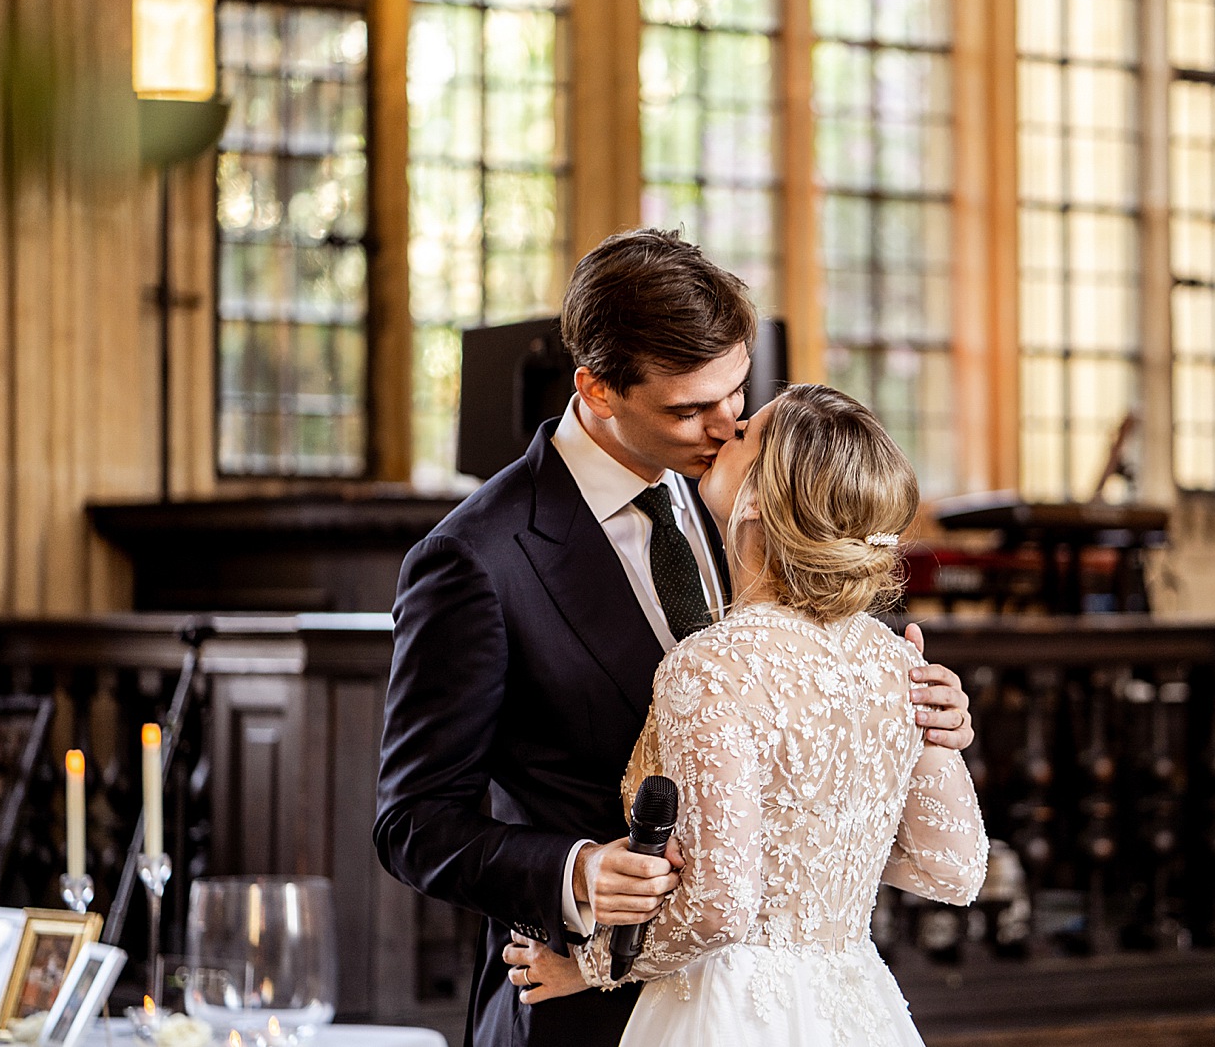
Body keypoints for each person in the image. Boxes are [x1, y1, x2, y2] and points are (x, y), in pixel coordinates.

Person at [373, 229, 975, 1047]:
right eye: (688, 409)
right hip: (571, 1006)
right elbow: (413, 822)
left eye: (738, 394)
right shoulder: (474, 558)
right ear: (597, 389)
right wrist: (577, 872)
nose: (726, 428)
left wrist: (924, 722)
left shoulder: (753, 501)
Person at [502, 383, 989, 1047]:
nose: (724, 429)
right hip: (855, 1006)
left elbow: (720, 908)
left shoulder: (712, 666)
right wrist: (822, 852)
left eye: (745, 433)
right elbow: (953, 867)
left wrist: (587, 965)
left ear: (759, 497)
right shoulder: (897, 661)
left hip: (730, 1011)